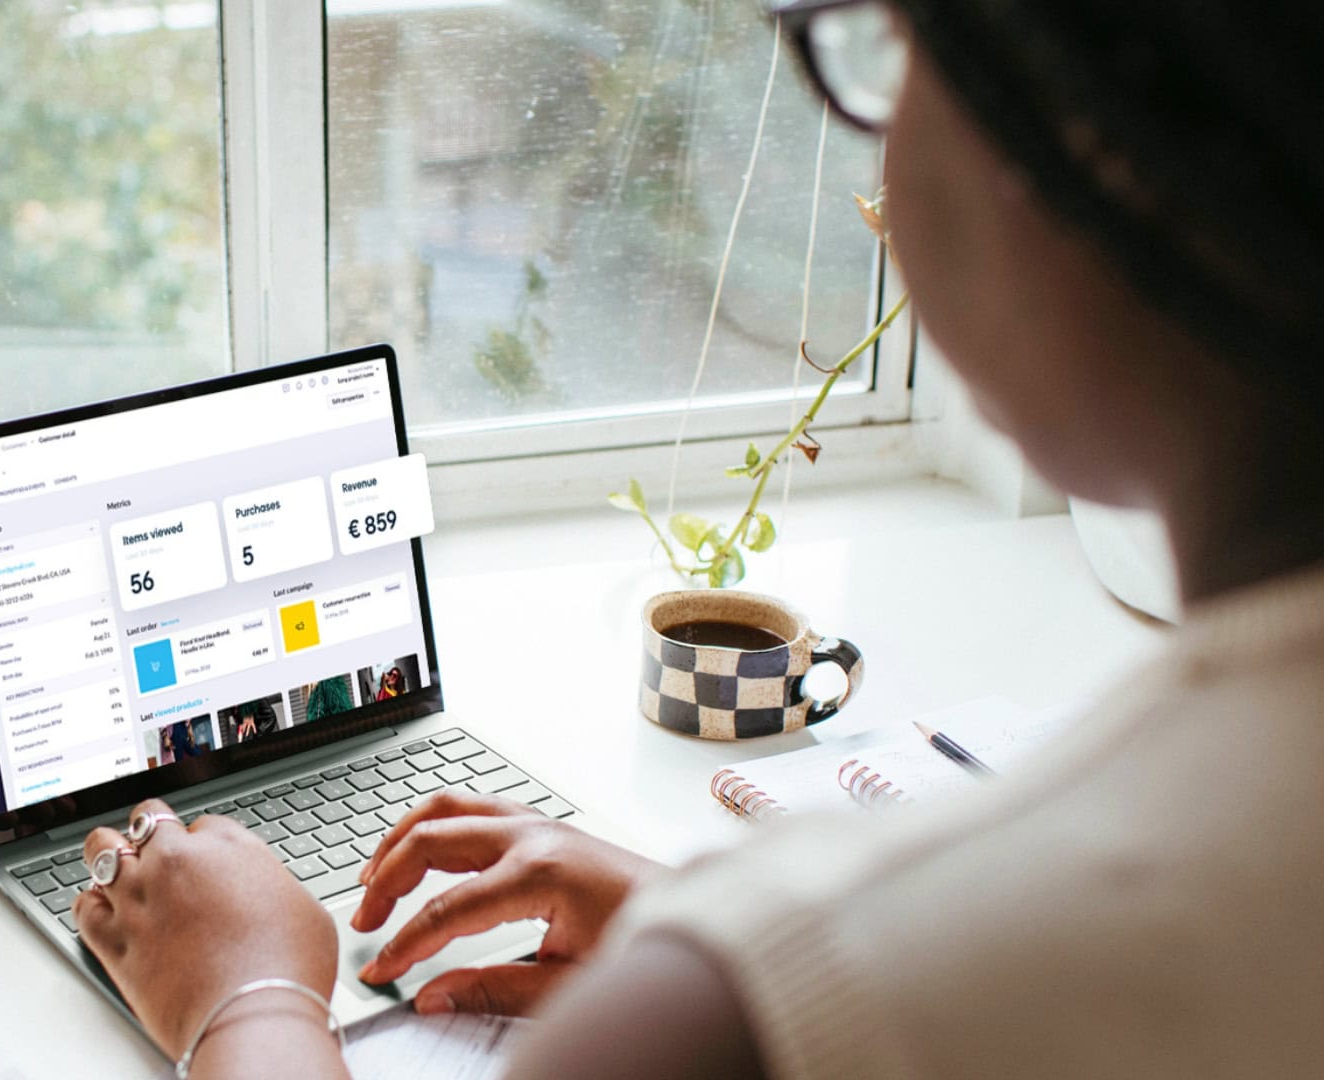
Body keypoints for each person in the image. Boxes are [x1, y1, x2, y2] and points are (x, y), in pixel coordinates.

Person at [72, 1, 1324, 1075]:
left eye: (890, 56)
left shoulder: (753, 1007)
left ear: (1091, 145)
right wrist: (676, 911)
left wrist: (247, 998)